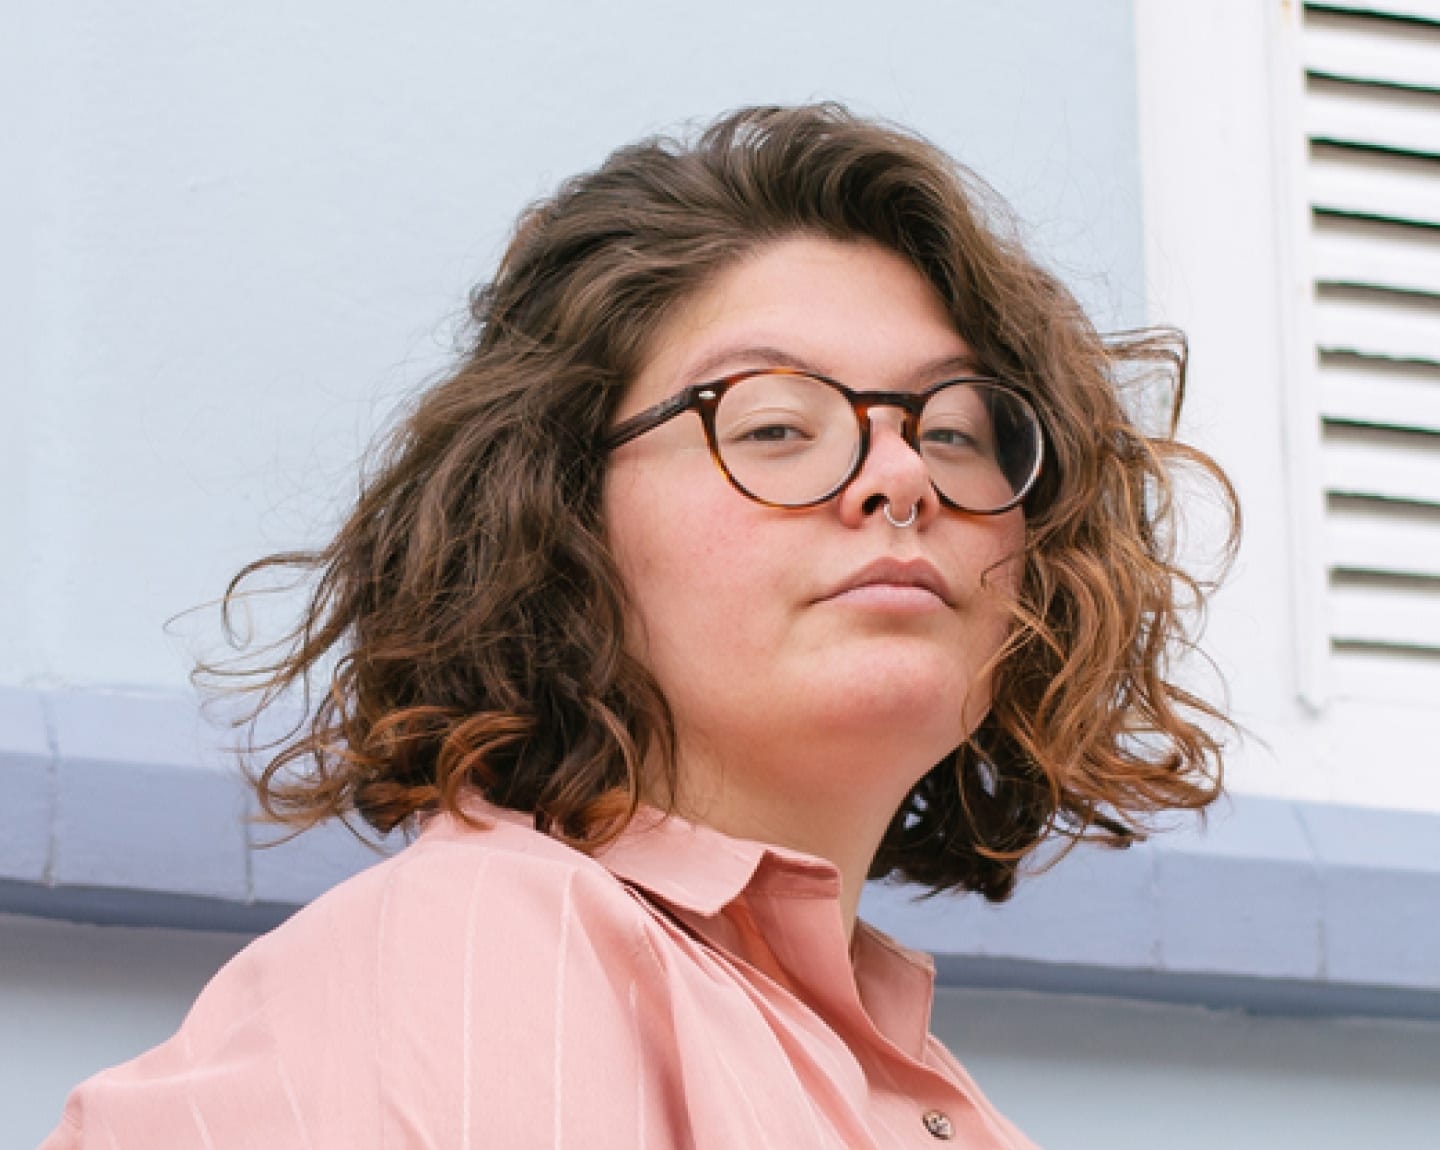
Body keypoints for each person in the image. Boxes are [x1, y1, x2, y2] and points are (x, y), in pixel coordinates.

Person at [42, 103, 1236, 1148]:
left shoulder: (899, 1076)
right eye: (774, 424)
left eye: (959, 430)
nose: (901, 475)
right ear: (556, 518)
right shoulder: (494, 948)